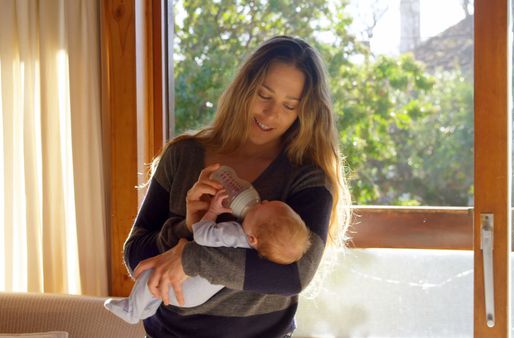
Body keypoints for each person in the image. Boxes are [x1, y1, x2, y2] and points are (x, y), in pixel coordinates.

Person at [122, 35, 351, 338]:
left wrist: (190, 258)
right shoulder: (183, 155)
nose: (271, 114)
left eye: (288, 105)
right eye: (264, 95)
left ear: (303, 112)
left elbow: (294, 274)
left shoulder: (306, 177)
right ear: (244, 88)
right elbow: (135, 255)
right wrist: (188, 227)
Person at [105, 189, 312, 324]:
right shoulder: (257, 251)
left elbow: (202, 234)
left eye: (262, 206)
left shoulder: (233, 234)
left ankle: (132, 310)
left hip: (187, 287)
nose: (263, 199)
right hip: (195, 295)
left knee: (151, 275)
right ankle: (145, 308)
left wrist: (212, 211)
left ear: (253, 238)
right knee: (156, 290)